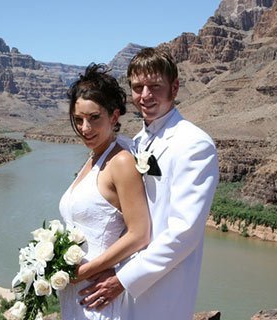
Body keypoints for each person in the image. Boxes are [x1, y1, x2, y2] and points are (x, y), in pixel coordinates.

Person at [78, 48, 220, 319]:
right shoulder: (137, 142)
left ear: (174, 87)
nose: (145, 96)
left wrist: (123, 279)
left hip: (163, 289)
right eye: (137, 87)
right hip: (121, 283)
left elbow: (184, 232)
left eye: (155, 86)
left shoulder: (193, 144)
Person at [58, 63, 151, 319]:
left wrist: (83, 272)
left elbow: (139, 234)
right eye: (78, 120)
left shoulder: (120, 162)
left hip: (98, 297)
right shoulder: (93, 159)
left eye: (94, 118)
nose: (84, 128)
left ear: (114, 116)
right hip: (77, 296)